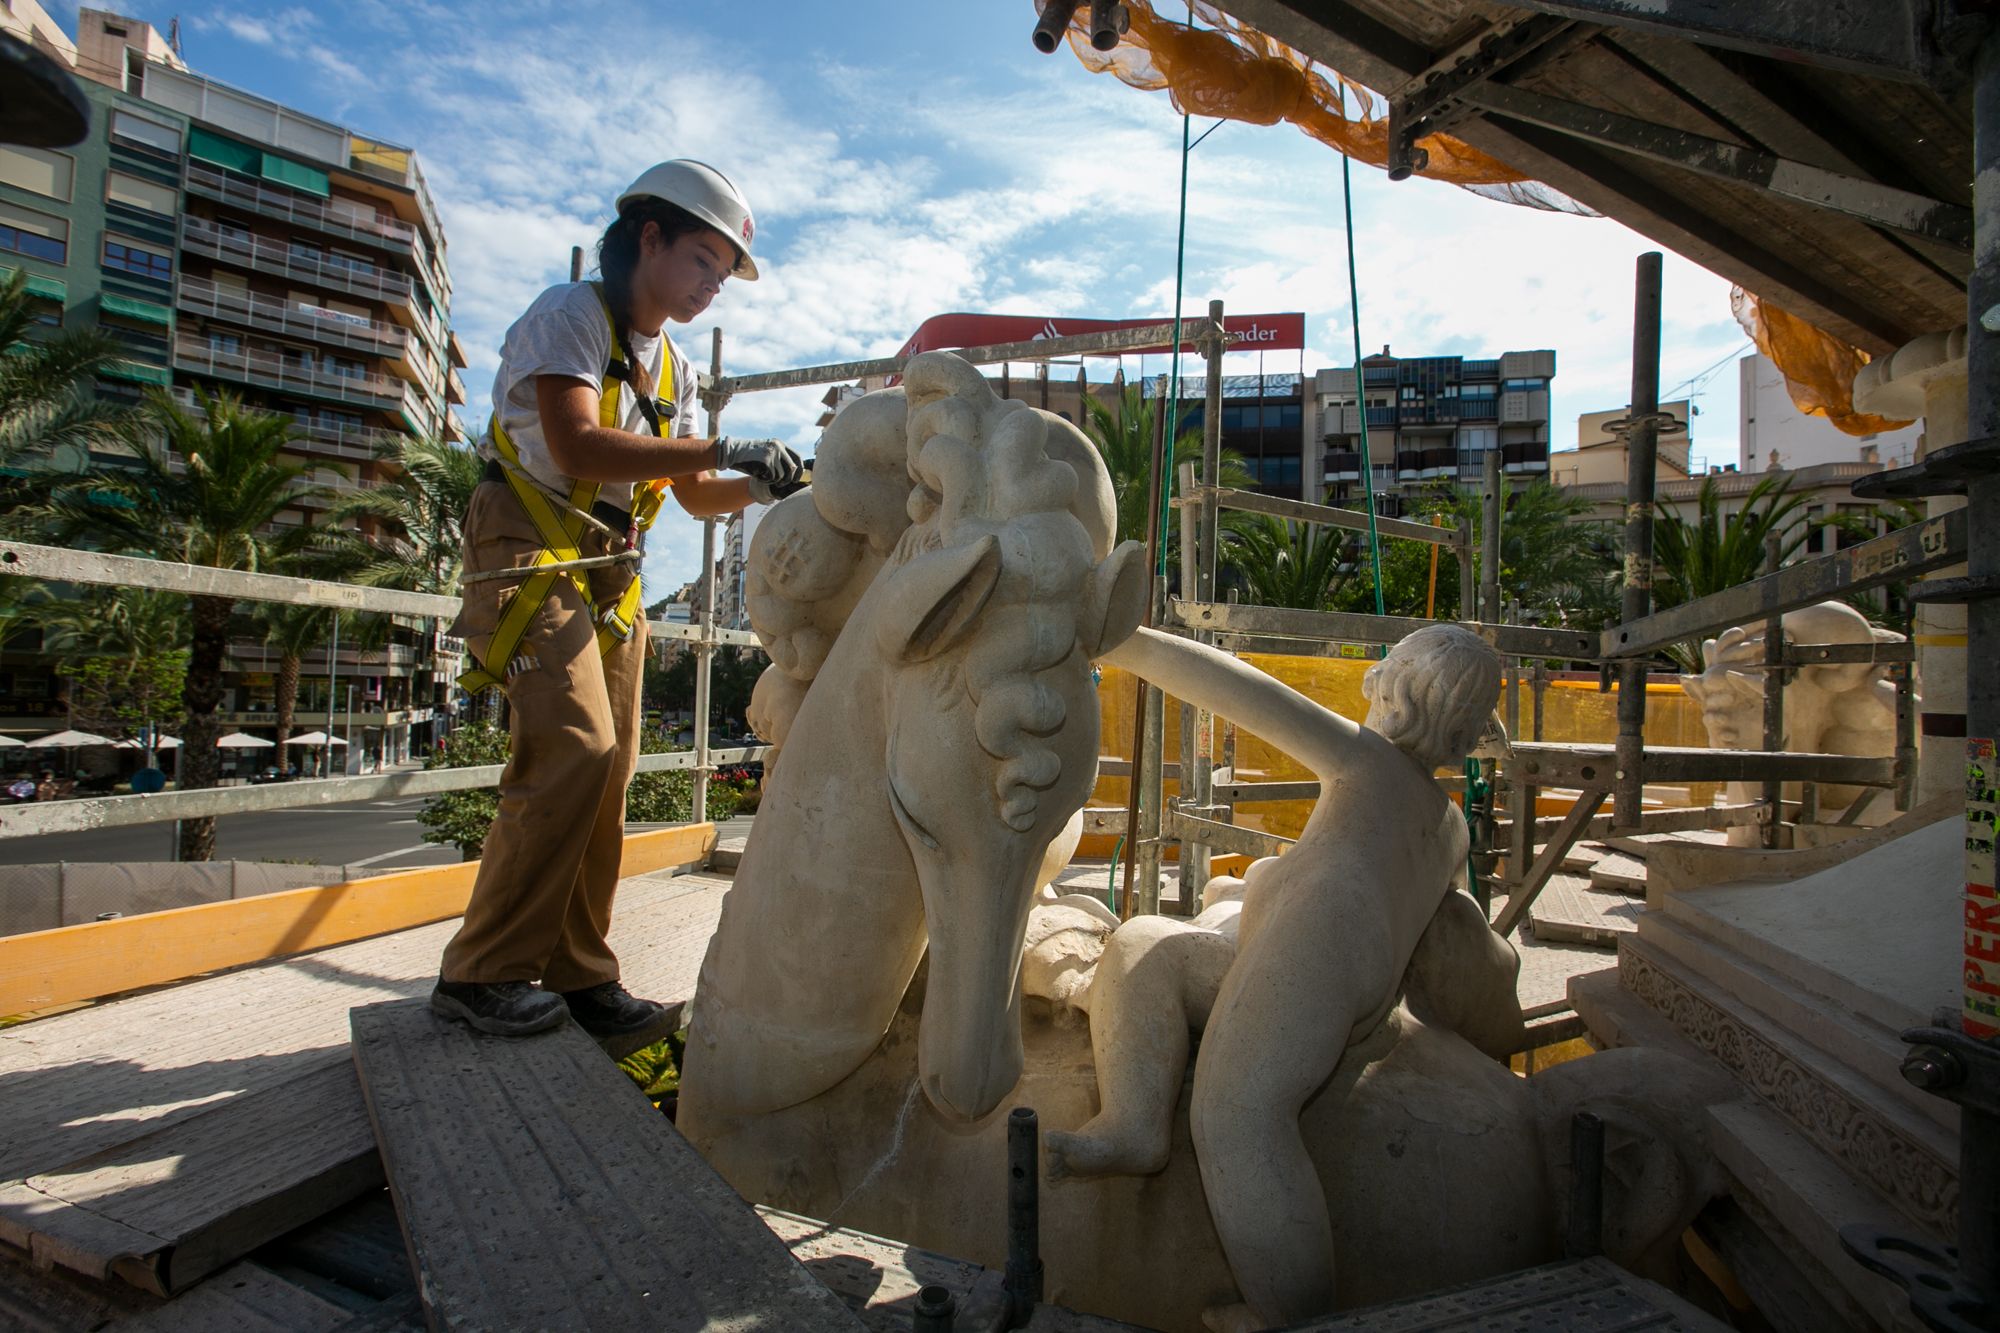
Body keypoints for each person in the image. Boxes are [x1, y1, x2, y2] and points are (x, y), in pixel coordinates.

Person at [432, 161, 805, 1048]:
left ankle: (578, 970)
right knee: (574, 745)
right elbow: (577, 442)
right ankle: (480, 971)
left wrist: (767, 485)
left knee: (610, 767)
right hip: (528, 541)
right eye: (705, 262)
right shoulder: (570, 316)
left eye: (724, 274)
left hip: (604, 564)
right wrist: (720, 442)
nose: (714, 285)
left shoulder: (666, 360)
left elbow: (691, 493)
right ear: (650, 237)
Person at [1077, 623, 1505, 1328]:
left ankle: (1290, 1311)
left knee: (1237, 1115)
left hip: (1321, 946)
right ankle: (1133, 1120)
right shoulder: (1450, 826)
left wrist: (1121, 635)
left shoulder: (1366, 759)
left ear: (1392, 699)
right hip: (1332, 965)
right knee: (1144, 945)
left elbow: (1239, 691)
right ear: (1465, 736)